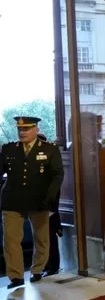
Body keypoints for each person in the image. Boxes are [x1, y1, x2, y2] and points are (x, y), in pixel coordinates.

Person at [1, 116, 64, 289]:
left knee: (41, 238)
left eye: (26, 129)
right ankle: (16, 277)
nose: (22, 132)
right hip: (12, 200)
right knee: (11, 239)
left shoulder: (49, 149)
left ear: (36, 129)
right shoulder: (8, 149)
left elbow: (58, 174)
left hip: (39, 200)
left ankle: (37, 269)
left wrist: (50, 196)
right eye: (20, 129)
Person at [36, 133, 63, 277]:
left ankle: (52, 266)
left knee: (50, 238)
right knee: (40, 238)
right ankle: (43, 265)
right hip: (36, 206)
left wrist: (51, 207)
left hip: (48, 206)